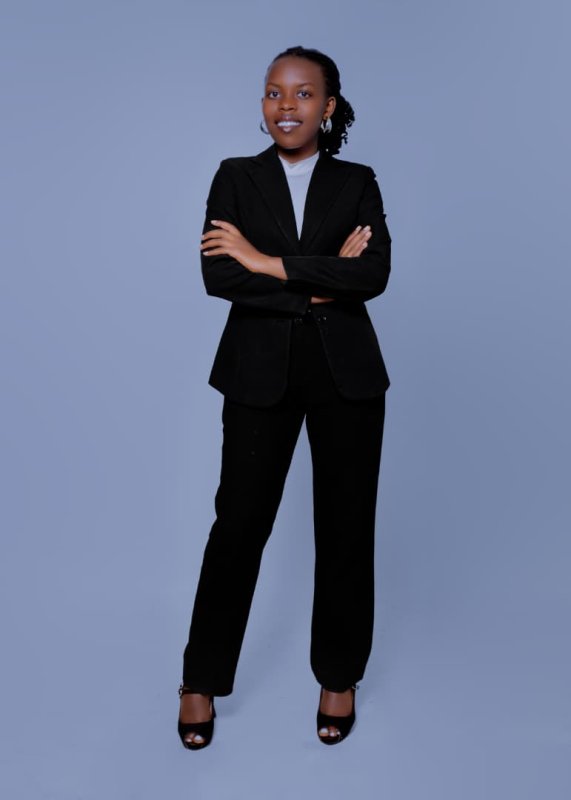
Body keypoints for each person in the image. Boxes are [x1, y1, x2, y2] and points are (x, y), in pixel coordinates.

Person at [177, 45, 391, 749]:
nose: (286, 106)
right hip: (256, 372)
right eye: (274, 92)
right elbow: (220, 277)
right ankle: (201, 679)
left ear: (327, 107)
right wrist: (322, 278)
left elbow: (372, 276)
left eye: (302, 94)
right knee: (237, 526)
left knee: (345, 527)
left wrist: (264, 261)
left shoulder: (356, 181)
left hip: (345, 374)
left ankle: (338, 675)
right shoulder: (235, 177)